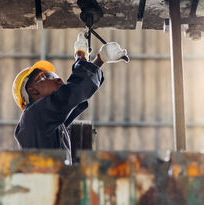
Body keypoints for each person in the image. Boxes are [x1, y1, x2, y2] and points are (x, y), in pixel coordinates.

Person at [12, 31, 128, 164]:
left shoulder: (50, 125)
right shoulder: (34, 116)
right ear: (33, 91)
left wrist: (98, 59)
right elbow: (71, 94)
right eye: (47, 76)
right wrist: (84, 57)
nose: (58, 79)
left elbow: (73, 95)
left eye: (54, 75)